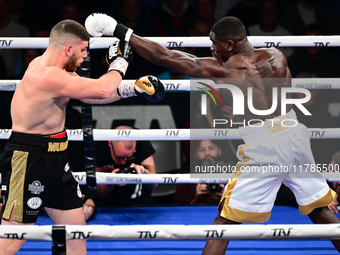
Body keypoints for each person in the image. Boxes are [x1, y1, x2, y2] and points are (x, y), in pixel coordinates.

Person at [85, 14, 340, 253]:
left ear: (229, 44)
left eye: (214, 44)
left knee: (223, 221)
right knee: (319, 210)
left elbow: (166, 57)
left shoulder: (227, 70)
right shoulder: (277, 56)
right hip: (294, 132)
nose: (211, 49)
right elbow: (275, 99)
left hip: (266, 145)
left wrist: (118, 30)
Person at [0, 19, 164, 255]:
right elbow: (102, 89)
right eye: (83, 50)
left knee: (76, 233)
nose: (85, 56)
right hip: (29, 159)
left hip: (57, 158)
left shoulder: (59, 72)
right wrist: (119, 62)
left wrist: (134, 88)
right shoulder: (45, 75)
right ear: (68, 49)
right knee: (13, 237)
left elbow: (93, 95)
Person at [83, 125, 157, 220]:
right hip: (108, 205)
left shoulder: (141, 141)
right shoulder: (99, 146)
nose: (123, 162)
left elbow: (154, 183)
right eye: (119, 157)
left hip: (139, 204)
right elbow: (100, 192)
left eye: (128, 157)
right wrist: (110, 182)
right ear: (110, 143)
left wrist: (143, 172)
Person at [174, 140, 226, 205]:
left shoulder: (232, 175)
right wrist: (196, 200)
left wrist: (224, 201)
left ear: (219, 151)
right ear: (195, 155)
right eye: (201, 150)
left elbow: (240, 209)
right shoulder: (186, 178)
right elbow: (178, 210)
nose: (207, 153)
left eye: (211, 148)